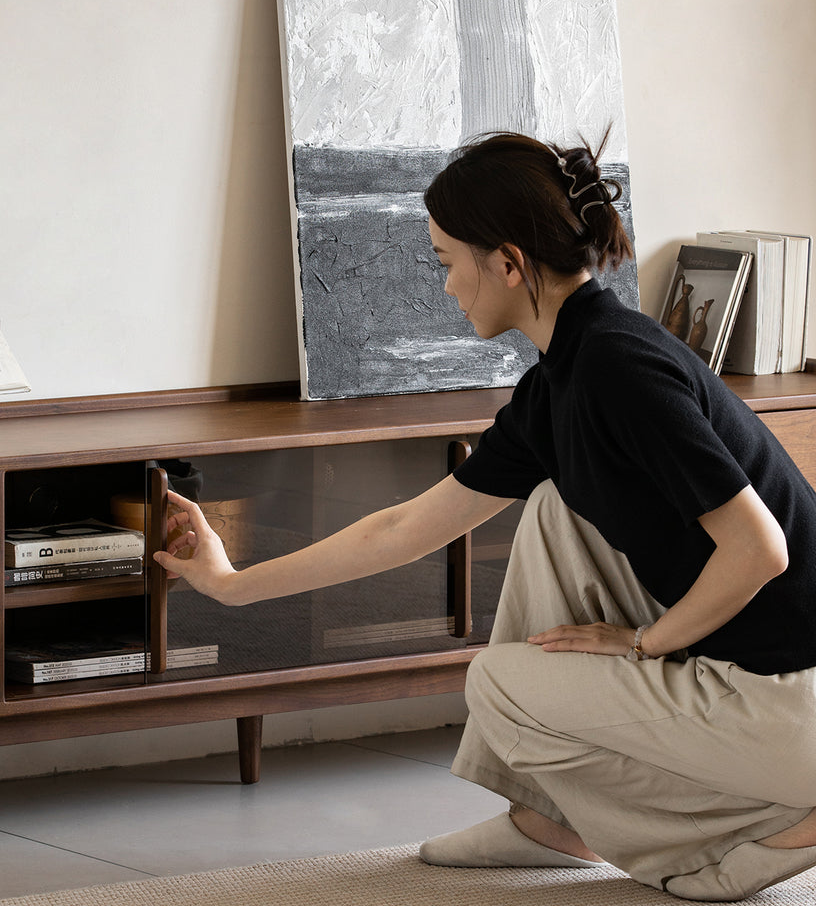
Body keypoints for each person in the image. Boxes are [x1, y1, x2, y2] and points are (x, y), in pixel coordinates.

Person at [154, 132, 816, 902]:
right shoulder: (568, 378)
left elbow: (758, 548)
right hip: (772, 686)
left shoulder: (619, 370)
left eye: (447, 263)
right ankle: (547, 822)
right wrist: (231, 584)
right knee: (553, 513)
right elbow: (402, 529)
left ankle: (777, 828)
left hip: (793, 700)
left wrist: (643, 643)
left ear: (506, 261)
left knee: (499, 683)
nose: (446, 289)